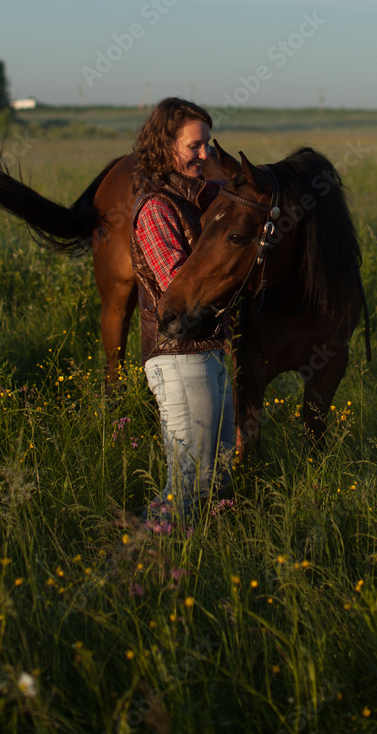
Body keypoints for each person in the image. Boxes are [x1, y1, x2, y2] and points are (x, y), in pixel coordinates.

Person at [130, 97, 234, 530]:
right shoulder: (156, 208)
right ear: (166, 146)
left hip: (206, 350)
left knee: (220, 473)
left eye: (208, 145)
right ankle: (143, 555)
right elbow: (179, 287)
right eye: (195, 147)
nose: (205, 155)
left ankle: (204, 555)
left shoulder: (193, 197)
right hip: (177, 356)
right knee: (188, 482)